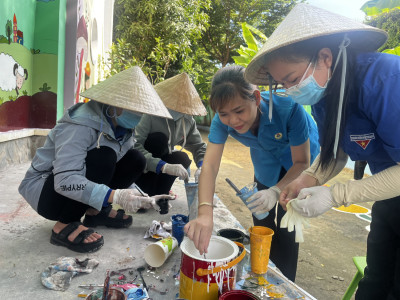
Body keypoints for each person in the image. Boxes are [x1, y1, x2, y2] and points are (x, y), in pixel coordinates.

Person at [244, 3, 400, 299]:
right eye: (283, 85)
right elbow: (337, 153)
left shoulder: (386, 81)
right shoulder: (325, 95)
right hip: (389, 195)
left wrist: (336, 195)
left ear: (325, 57)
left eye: (291, 79)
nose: (290, 90)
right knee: (373, 284)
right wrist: (308, 178)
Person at [184, 65, 320, 281]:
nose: (234, 121)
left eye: (239, 111)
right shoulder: (222, 121)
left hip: (298, 160)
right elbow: (209, 166)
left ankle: (283, 282)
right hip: (265, 158)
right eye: (224, 114)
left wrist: (276, 191)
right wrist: (205, 213)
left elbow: (302, 162)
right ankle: (262, 271)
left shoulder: (290, 108)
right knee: (261, 219)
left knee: (287, 224)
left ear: (256, 98)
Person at [18, 66, 174, 253]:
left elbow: (121, 168)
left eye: (140, 110)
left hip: (69, 187)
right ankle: (65, 224)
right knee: (104, 156)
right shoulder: (81, 124)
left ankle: (96, 212)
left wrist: (146, 199)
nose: (137, 115)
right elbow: (64, 181)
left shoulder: (123, 131)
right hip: (46, 192)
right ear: (113, 103)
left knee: (136, 159)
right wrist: (115, 196)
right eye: (132, 108)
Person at [134, 73, 207, 196]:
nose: (179, 110)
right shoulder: (149, 115)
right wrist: (162, 166)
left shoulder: (187, 120)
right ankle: (140, 188)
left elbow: (198, 146)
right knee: (159, 140)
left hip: (163, 161)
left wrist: (202, 166)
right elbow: (134, 146)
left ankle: (161, 191)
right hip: (142, 164)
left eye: (183, 107)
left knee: (182, 158)